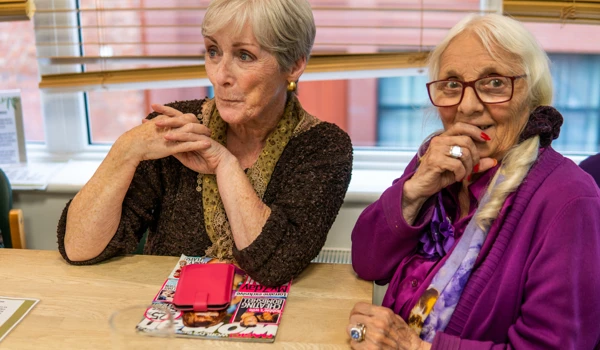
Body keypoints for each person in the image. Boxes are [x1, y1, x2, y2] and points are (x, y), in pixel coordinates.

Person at [56, 0, 352, 287]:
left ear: (295, 65)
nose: (219, 75)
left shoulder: (324, 148)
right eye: (213, 51)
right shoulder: (177, 127)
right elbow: (79, 248)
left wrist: (225, 164)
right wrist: (125, 150)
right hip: (166, 326)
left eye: (244, 56)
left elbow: (274, 266)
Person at [349, 13, 600, 349]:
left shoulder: (569, 199)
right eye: (452, 85)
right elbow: (367, 261)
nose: (467, 106)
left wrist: (412, 346)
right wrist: (414, 190)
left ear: (532, 94)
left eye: (495, 82)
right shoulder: (437, 158)